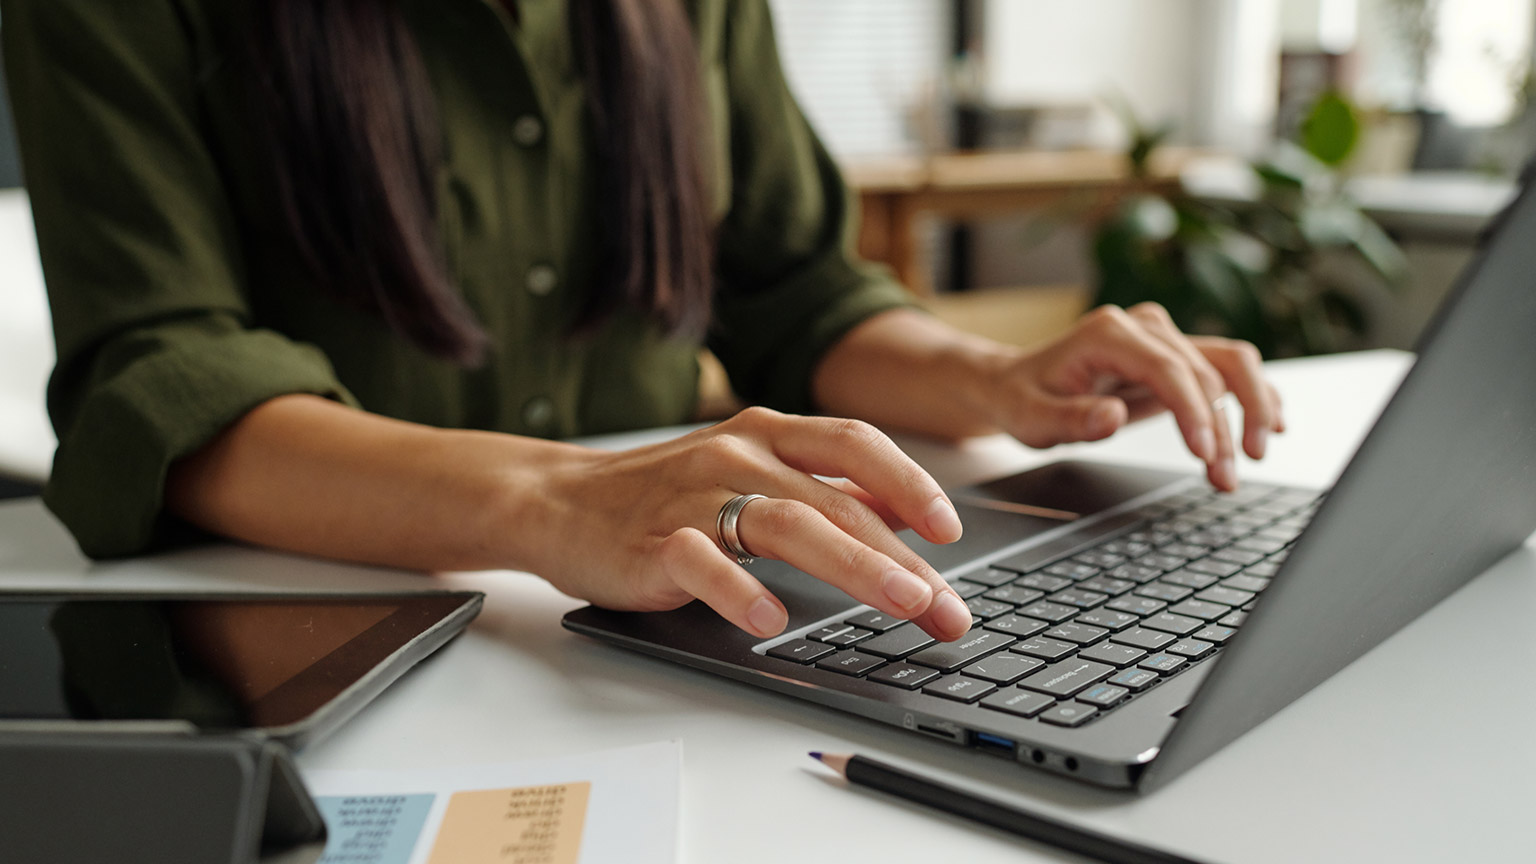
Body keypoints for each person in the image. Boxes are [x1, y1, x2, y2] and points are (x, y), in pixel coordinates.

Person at [3, 0, 1282, 646]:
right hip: (309, 642)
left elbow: (793, 285)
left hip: (654, 639)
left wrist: (998, 378)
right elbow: (164, 383)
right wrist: (559, 500)